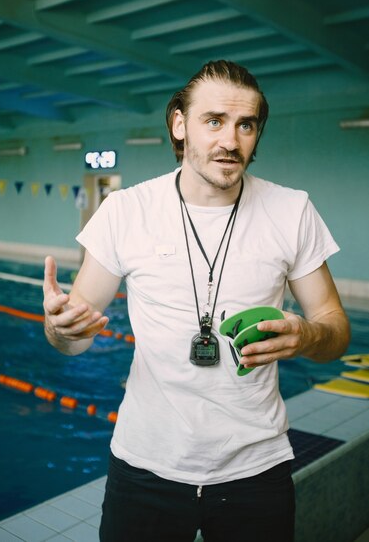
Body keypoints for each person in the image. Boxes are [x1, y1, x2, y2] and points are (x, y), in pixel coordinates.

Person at [43, 60, 350, 542]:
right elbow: (74, 338)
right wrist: (60, 330)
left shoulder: (292, 211)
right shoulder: (126, 211)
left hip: (256, 469)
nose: (231, 140)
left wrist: (309, 335)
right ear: (180, 125)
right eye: (214, 121)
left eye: (245, 125)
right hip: (144, 467)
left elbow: (335, 330)